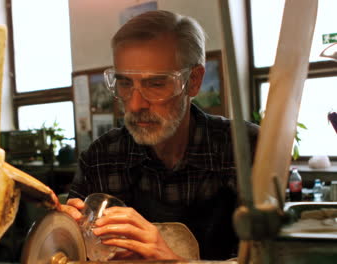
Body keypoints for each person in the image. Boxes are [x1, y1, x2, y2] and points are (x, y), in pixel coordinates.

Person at [60, 10, 258, 261]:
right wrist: (66, 235)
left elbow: (272, 256)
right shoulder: (100, 159)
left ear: (194, 81)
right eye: (125, 83)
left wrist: (172, 261)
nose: (134, 105)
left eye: (155, 84)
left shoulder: (246, 150)